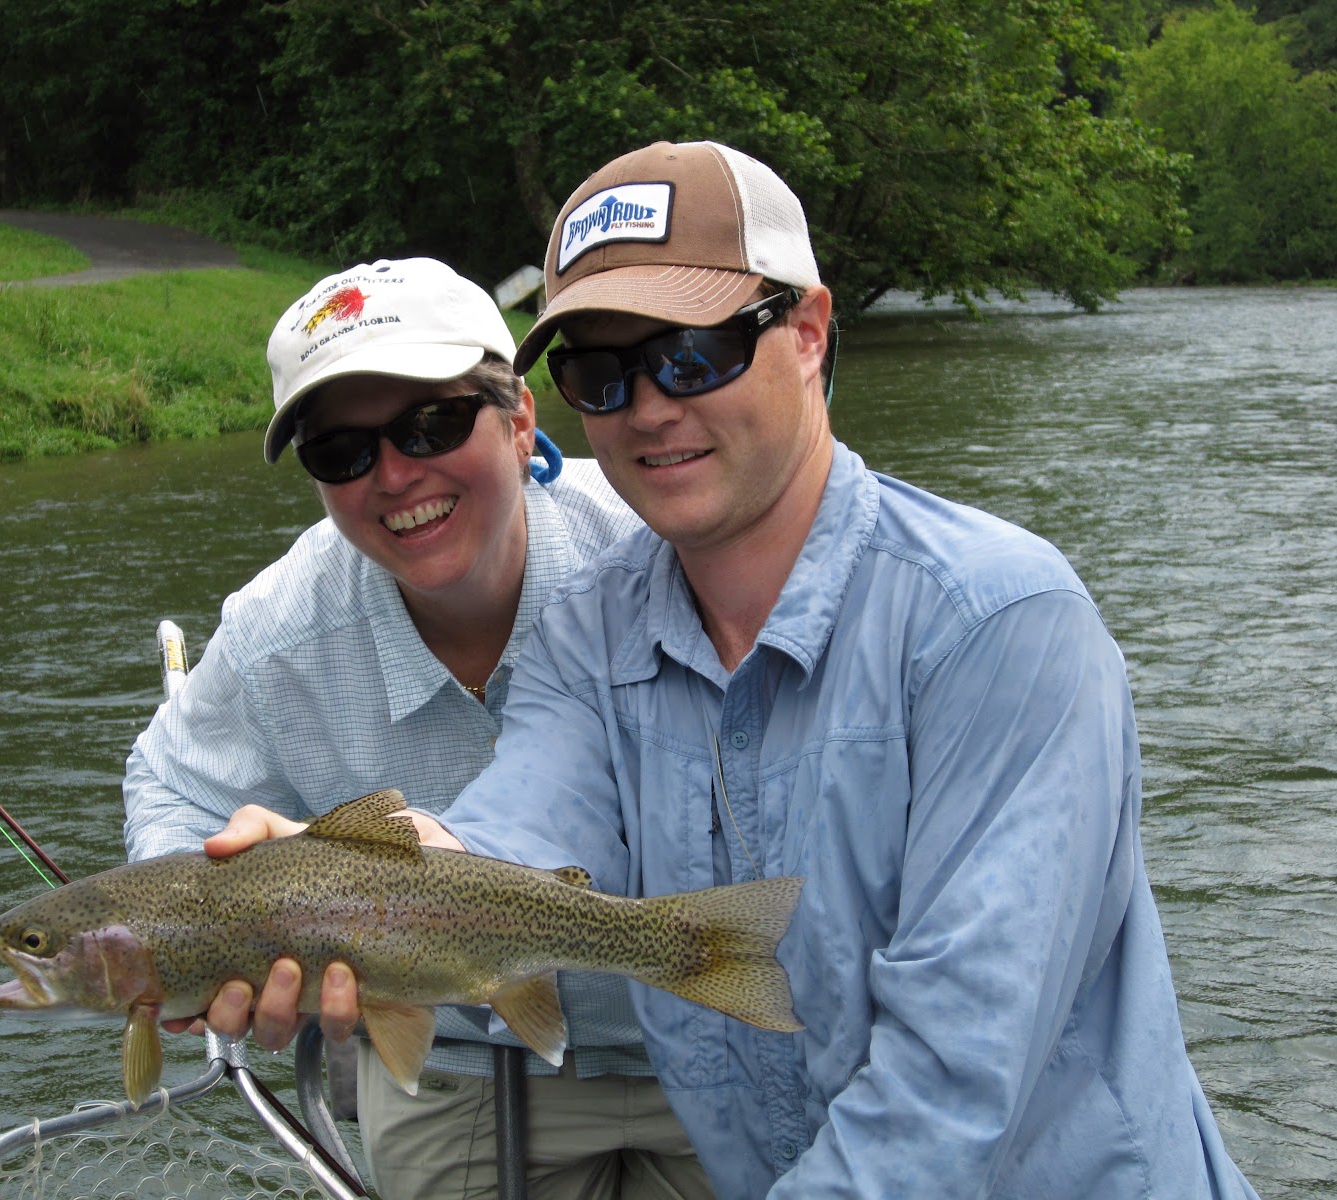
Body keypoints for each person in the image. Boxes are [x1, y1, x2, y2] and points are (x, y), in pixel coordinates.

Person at [209, 143, 1261, 1198]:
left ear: (806, 333)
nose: (649, 406)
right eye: (599, 373)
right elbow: (511, 847)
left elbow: (953, 1077)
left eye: (694, 351)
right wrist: (340, 879)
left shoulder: (996, 623)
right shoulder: (592, 633)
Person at [121, 256, 712, 1200]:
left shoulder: (669, 551)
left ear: (522, 421)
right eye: (341, 452)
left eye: (431, 423)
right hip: (456, 1057)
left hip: (708, 1028)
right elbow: (171, 781)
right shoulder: (277, 628)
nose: (395, 475)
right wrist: (198, 931)